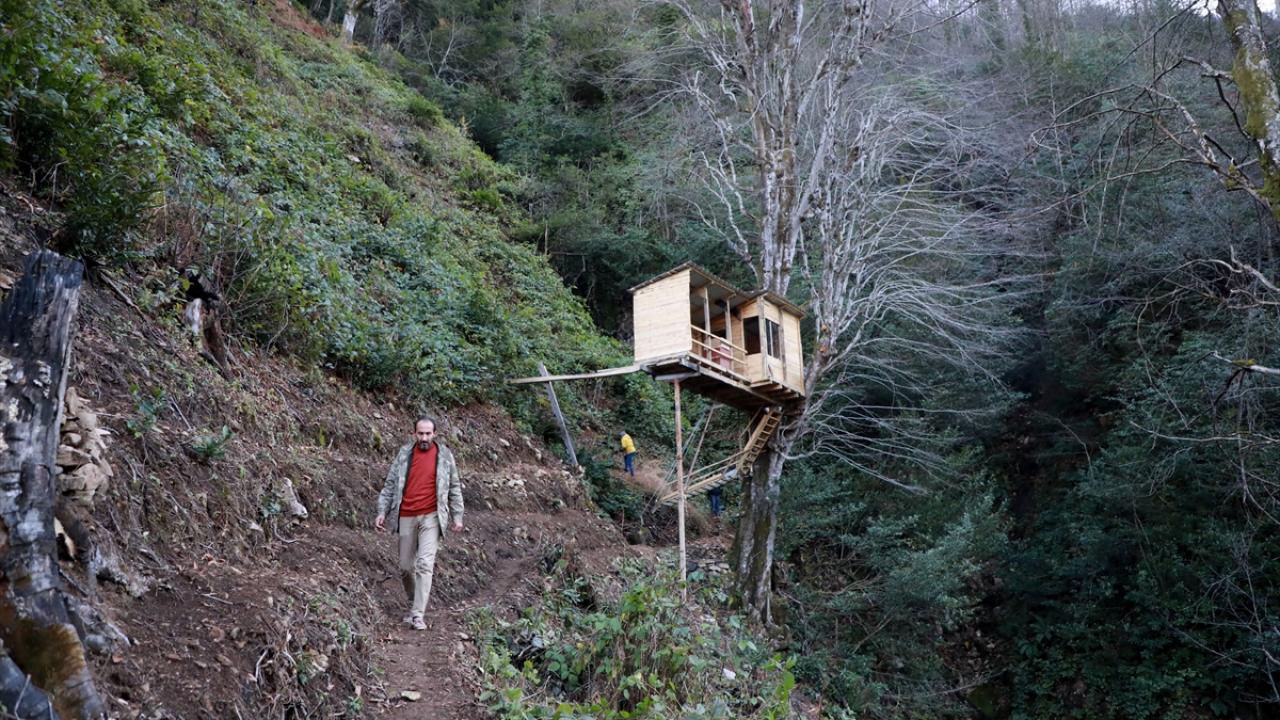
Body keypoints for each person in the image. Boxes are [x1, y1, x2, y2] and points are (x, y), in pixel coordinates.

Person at [375, 416, 464, 631]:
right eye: (420, 433)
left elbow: (454, 486)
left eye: (428, 433)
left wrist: (457, 516)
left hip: (432, 516)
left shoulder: (444, 456)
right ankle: (415, 602)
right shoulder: (404, 454)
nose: (424, 438)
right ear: (414, 433)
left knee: (424, 564)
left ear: (435, 434)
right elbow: (390, 483)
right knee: (406, 567)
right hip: (406, 515)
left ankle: (418, 614)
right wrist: (382, 511)